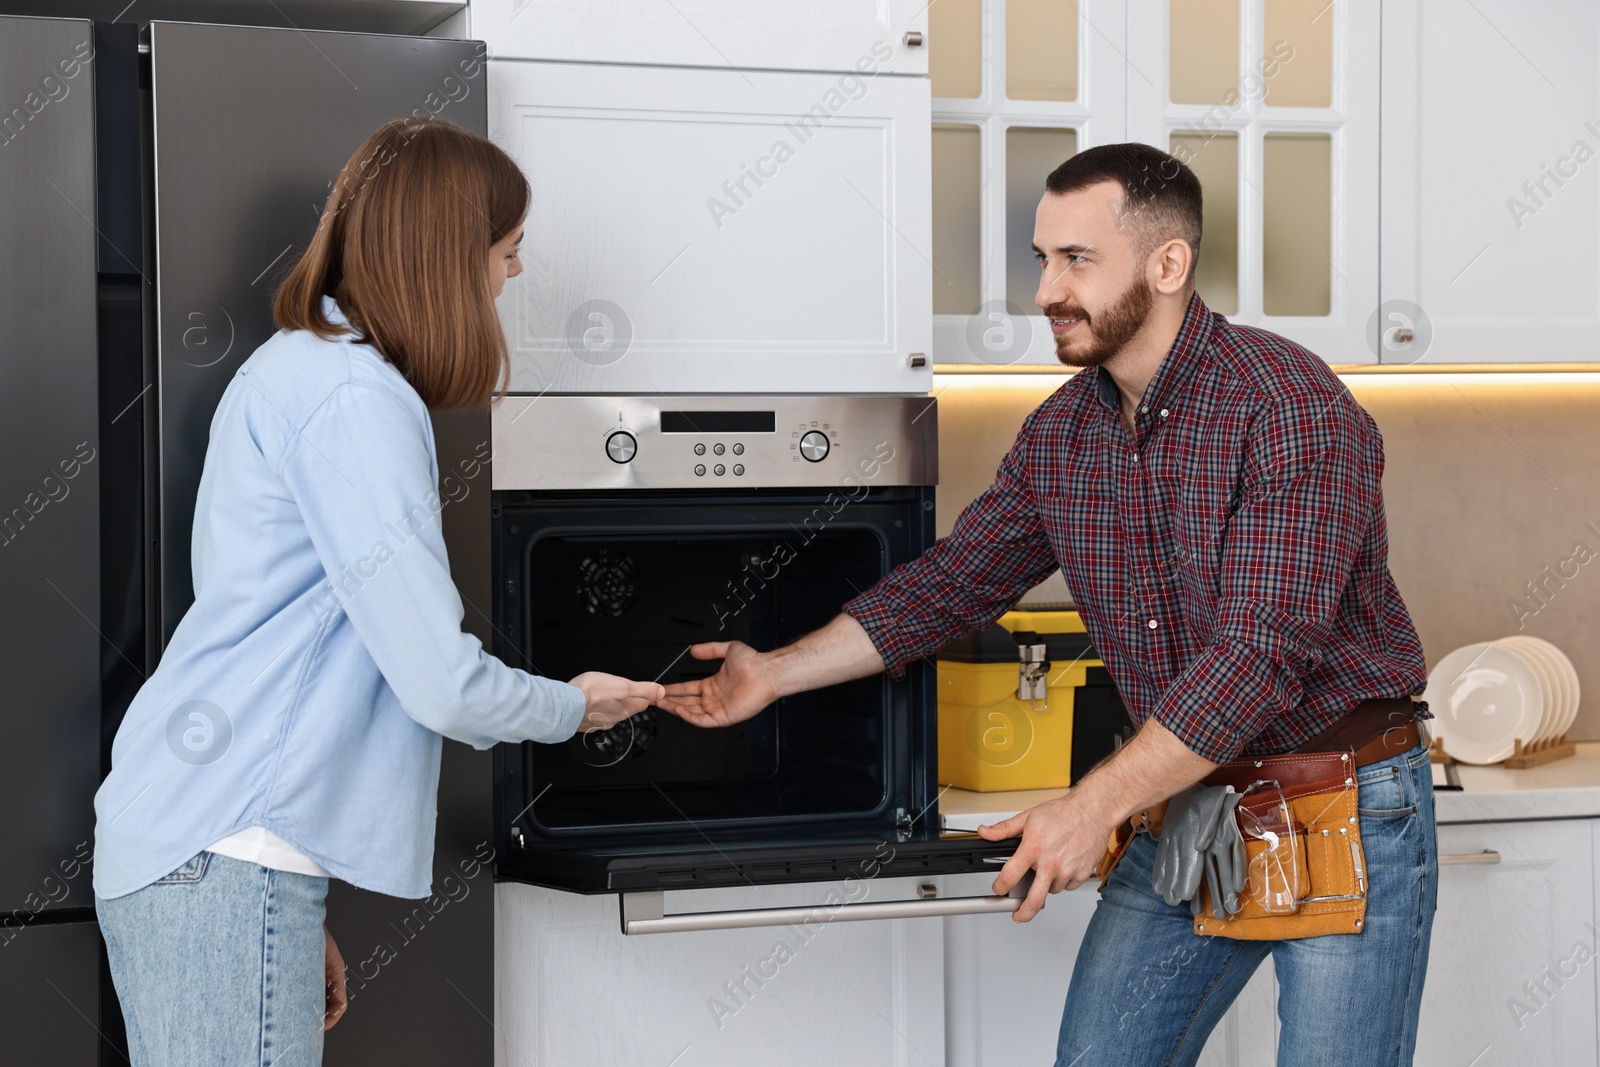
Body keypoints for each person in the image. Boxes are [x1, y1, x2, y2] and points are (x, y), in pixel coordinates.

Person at [659, 142, 1436, 1065]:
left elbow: (1259, 655)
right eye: (1042, 259)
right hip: (1183, 791)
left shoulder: (1288, 406)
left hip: (1340, 800)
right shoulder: (1064, 432)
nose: (1046, 293)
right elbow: (950, 587)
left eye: (1077, 261)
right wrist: (772, 672)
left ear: (1168, 264)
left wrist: (1089, 806)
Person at [92, 117, 662, 1067]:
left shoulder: (302, 368)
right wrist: (576, 706)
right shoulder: (356, 399)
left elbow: (293, 638)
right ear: (450, 258)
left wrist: (282, 898)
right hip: (227, 855)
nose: (512, 276)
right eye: (508, 251)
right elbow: (439, 678)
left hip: (217, 850)